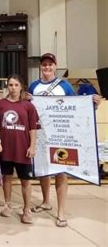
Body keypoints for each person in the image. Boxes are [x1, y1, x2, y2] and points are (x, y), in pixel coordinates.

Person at [28, 53, 102, 227]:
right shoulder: (34, 86)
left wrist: (93, 103)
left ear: (56, 66)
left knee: (61, 170)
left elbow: (76, 106)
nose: (47, 67)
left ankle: (61, 211)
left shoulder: (65, 86)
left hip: (62, 135)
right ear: (40, 66)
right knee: (43, 169)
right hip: (41, 134)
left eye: (50, 64)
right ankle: (46, 201)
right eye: (44, 64)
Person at [0, 74, 38, 224]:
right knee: (7, 177)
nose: (13, 88)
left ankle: (26, 209)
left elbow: (32, 129)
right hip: (5, 148)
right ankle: (7, 204)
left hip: (22, 149)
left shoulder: (28, 106)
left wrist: (32, 146)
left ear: (21, 87)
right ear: (7, 86)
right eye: (10, 85)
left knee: (25, 180)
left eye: (16, 85)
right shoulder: (0, 105)